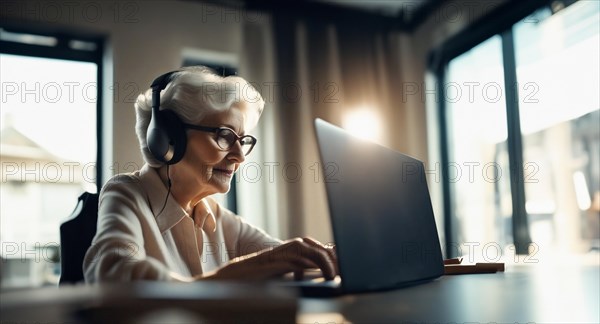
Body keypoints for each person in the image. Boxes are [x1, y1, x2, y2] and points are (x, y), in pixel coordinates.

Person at [83, 66, 337, 282]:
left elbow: (292, 260)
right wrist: (233, 276)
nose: (240, 156)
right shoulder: (126, 193)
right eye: (225, 136)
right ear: (169, 139)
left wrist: (334, 256)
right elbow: (112, 278)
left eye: (243, 140)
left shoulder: (217, 218)